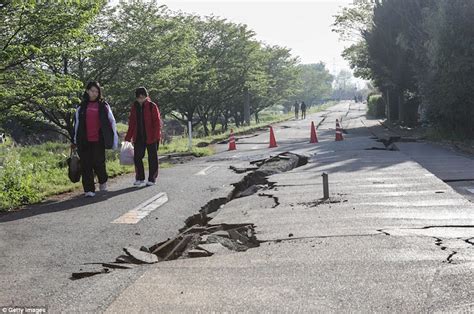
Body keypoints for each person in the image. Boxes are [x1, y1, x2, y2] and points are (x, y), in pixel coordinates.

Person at [73, 81, 118, 197]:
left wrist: (114, 140)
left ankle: (103, 181)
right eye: (92, 91)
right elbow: (77, 124)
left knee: (99, 164)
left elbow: (112, 122)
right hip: (84, 140)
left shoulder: (104, 105)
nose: (94, 93)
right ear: (87, 91)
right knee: (86, 164)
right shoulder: (81, 107)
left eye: (97, 91)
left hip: (99, 140)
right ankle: (89, 189)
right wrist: (74, 140)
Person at [125, 87, 161, 187]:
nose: (141, 99)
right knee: (137, 157)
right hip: (139, 137)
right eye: (139, 97)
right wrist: (128, 137)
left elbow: (157, 123)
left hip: (151, 137)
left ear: (146, 96)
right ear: (136, 97)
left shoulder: (151, 106)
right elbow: (131, 123)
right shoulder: (134, 107)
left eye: (143, 97)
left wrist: (157, 136)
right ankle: (140, 178)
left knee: (152, 158)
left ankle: (152, 179)